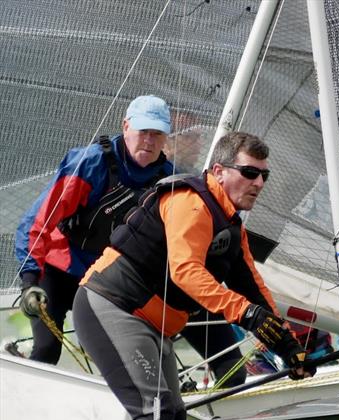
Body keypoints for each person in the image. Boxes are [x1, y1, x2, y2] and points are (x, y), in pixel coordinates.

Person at [71, 131, 314, 420]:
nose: (259, 183)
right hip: (114, 307)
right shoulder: (189, 201)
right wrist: (246, 314)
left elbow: (254, 290)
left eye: (265, 175)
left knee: (173, 416)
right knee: (156, 416)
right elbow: (185, 271)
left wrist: (289, 347)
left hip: (154, 325)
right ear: (218, 172)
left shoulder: (231, 226)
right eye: (250, 173)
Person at [14, 95, 247, 386]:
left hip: (111, 280)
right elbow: (37, 223)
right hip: (60, 272)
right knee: (47, 349)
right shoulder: (89, 163)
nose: (149, 141)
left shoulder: (172, 182)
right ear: (126, 127)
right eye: (143, 132)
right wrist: (28, 281)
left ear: (166, 138)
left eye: (158, 134)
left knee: (133, 357)